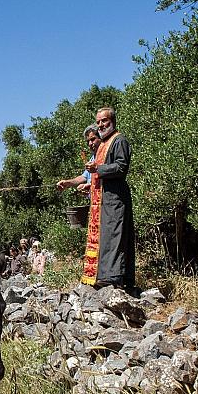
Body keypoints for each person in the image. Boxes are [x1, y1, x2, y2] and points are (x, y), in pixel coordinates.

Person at [82, 107, 135, 289]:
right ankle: (103, 275)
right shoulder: (104, 143)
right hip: (103, 200)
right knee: (105, 237)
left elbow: (121, 167)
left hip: (115, 199)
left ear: (112, 121)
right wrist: (90, 184)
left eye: (104, 121)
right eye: (98, 122)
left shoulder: (119, 140)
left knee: (115, 236)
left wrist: (98, 169)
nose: (101, 125)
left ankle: (114, 278)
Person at [57, 126, 102, 194]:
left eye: (93, 139)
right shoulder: (93, 158)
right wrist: (67, 183)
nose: (90, 143)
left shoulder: (106, 155)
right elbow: (84, 177)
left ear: (101, 138)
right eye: (88, 141)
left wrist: (90, 185)